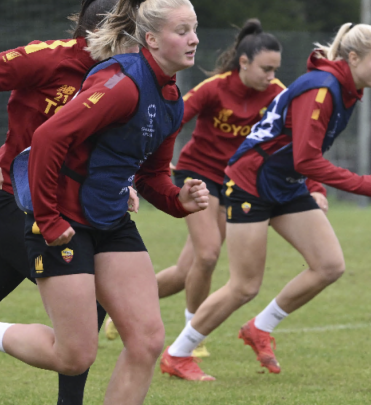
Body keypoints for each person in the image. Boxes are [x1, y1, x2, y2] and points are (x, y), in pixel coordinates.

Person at [0, 0, 209, 405]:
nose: (194, 39)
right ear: (151, 39)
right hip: (61, 218)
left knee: (148, 337)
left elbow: (154, 173)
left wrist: (180, 200)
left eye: (196, 28)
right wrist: (48, 219)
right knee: (75, 354)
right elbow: (47, 139)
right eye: (183, 30)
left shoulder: (172, 99)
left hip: (110, 220)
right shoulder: (122, 84)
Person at [160, 23, 371, 381]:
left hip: (285, 183)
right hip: (252, 183)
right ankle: (178, 354)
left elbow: (301, 154)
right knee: (243, 285)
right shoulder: (323, 88)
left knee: (329, 265)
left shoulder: (345, 88)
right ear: (353, 57)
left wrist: (316, 188)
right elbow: (305, 157)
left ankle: (260, 327)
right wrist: (362, 184)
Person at [0, 0, 131, 405]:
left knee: (88, 301)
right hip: (18, 205)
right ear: (100, 32)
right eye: (128, 33)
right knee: (88, 295)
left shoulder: (121, 75)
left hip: (66, 208)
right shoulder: (47, 59)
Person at [105, 20, 287, 357]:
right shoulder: (214, 88)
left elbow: (297, 139)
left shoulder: (277, 94)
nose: (271, 76)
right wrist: (158, 161)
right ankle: (194, 334)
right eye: (265, 68)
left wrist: (315, 187)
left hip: (235, 183)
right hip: (197, 174)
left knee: (186, 272)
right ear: (244, 63)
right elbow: (172, 117)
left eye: (275, 69)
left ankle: (121, 307)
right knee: (208, 254)